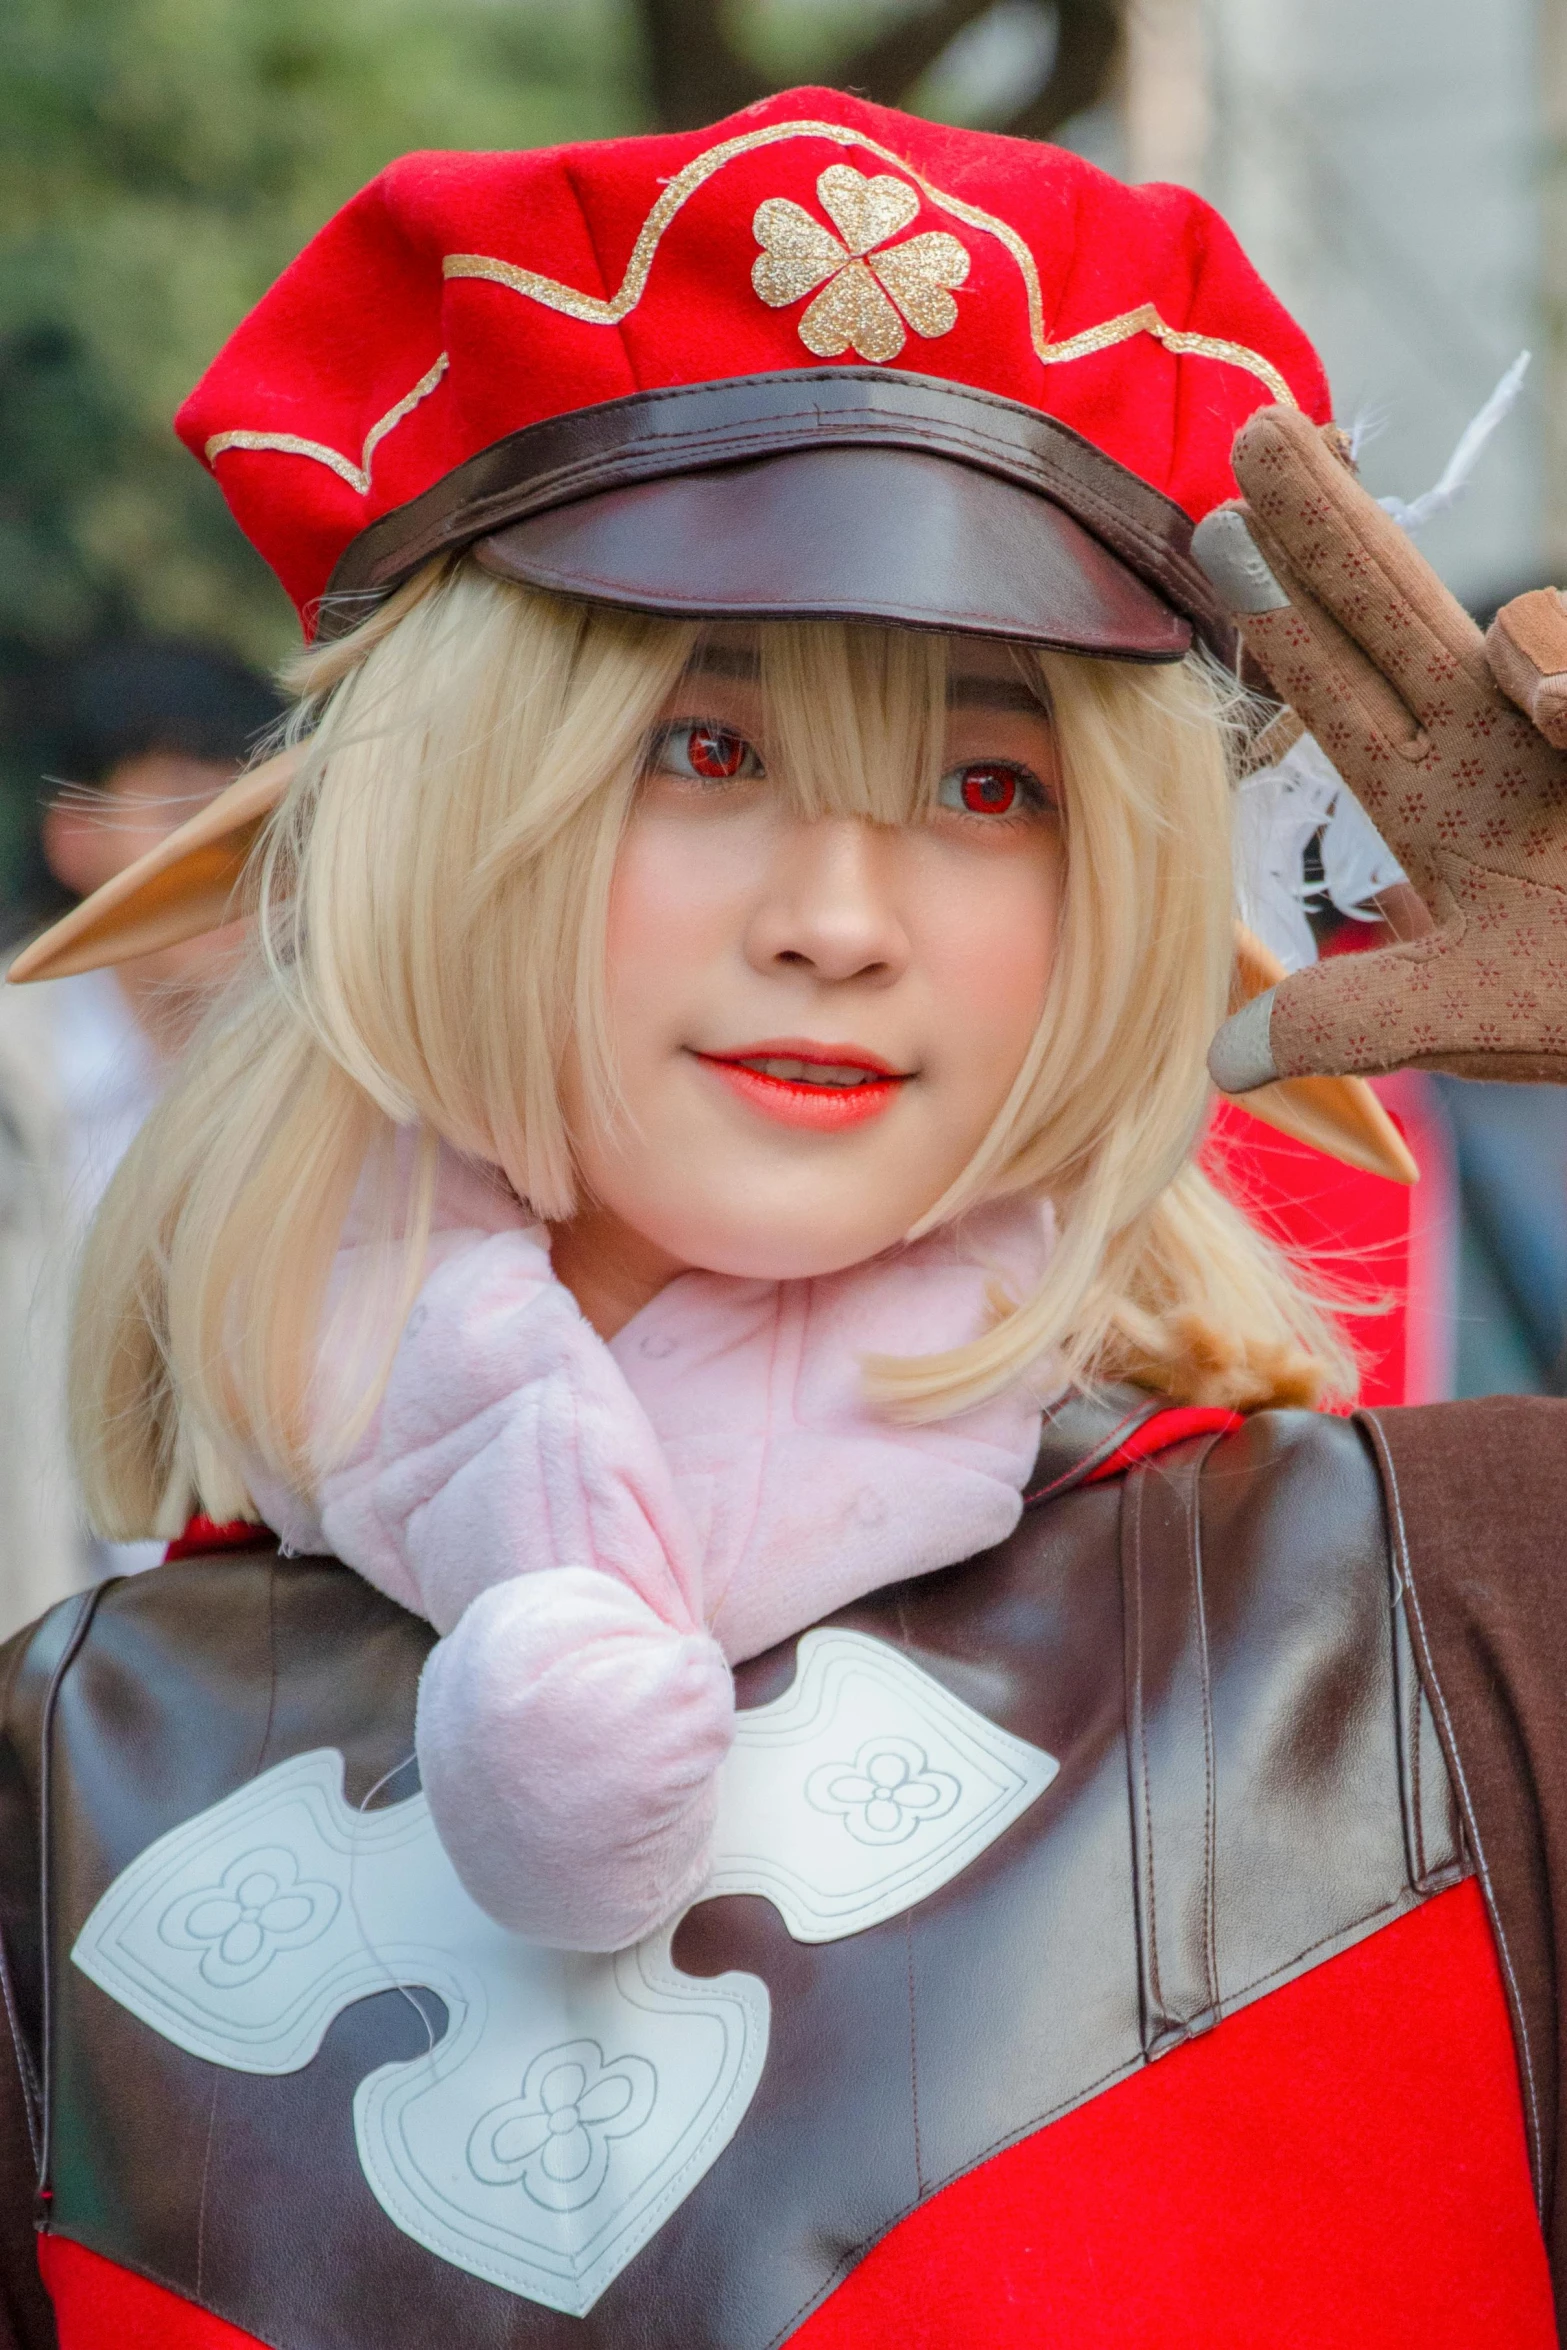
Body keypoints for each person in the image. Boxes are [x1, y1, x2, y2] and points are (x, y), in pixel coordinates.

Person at [1, 87, 1564, 2350]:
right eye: (702, 750)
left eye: (984, 783)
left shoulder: (1478, 1602)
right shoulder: (72, 1768)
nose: (837, 916)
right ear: (446, 812)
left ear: (1119, 883)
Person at [0, 642, 282, 1629]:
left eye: (253, 814)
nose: (225, 854)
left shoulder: (326, 1102)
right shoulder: (19, 1092)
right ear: (74, 839)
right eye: (179, 806)